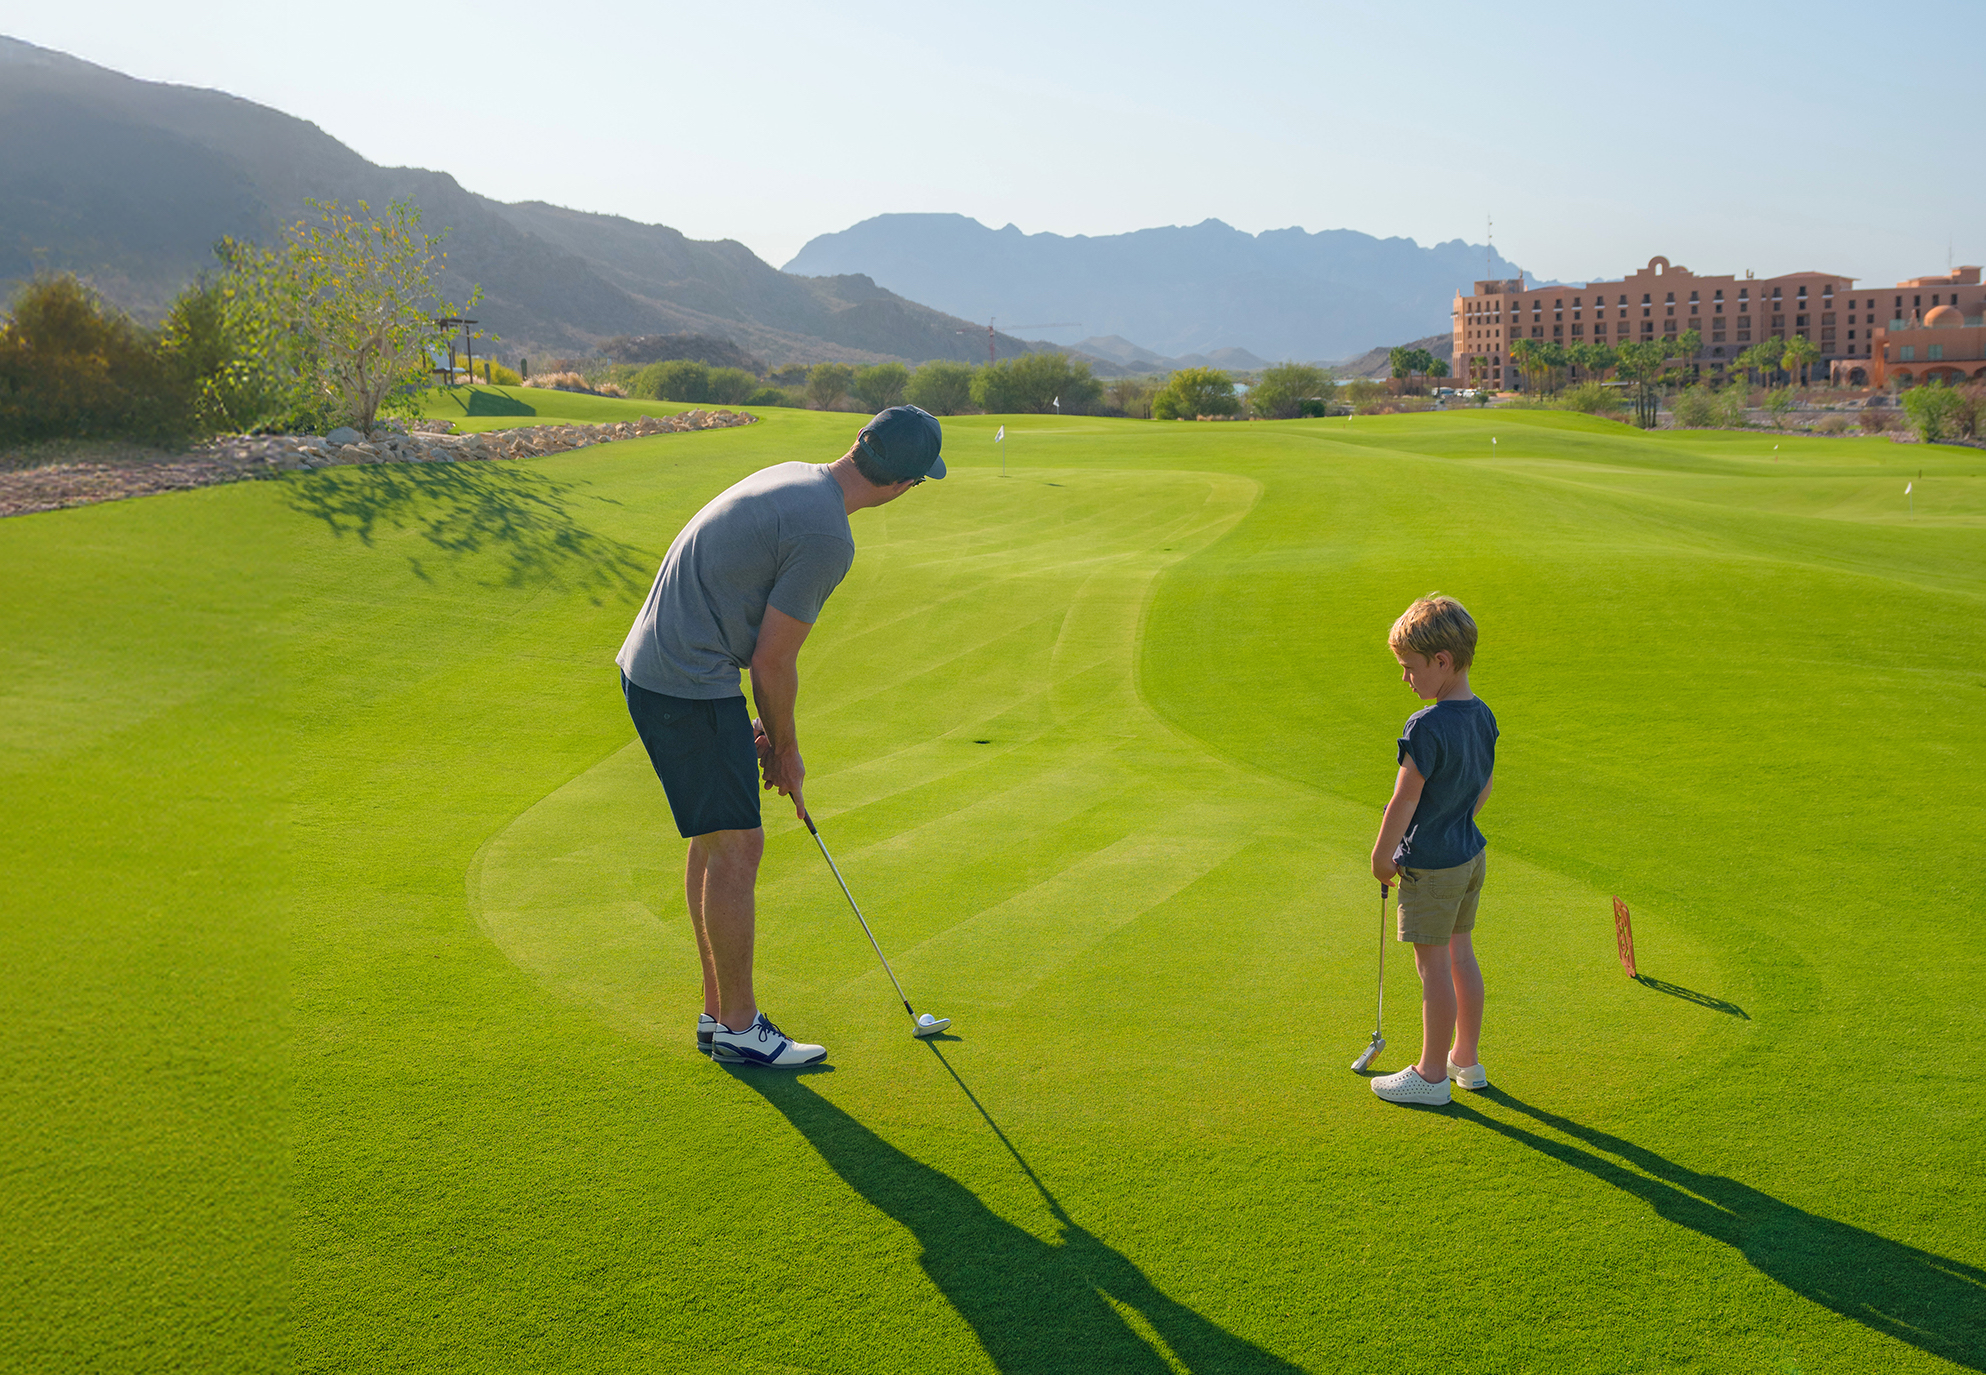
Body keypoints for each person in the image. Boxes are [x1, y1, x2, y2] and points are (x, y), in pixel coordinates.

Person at [616, 406, 946, 1068]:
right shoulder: (829, 537)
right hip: (686, 676)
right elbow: (772, 660)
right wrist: (786, 751)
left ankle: (717, 1014)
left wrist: (762, 727)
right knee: (739, 847)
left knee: (717, 837)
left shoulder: (798, 476)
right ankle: (740, 1026)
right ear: (903, 485)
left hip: (660, 665)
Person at [1367, 594, 1497, 1106]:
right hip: (1469, 856)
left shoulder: (1425, 726)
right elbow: (1483, 786)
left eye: (1410, 668)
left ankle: (1430, 1077)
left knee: (1433, 969)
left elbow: (1405, 798)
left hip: (1432, 866)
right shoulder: (1482, 714)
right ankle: (1465, 1061)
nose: (1406, 680)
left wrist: (1381, 855)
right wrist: (1456, 819)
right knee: (1461, 957)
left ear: (1441, 661)